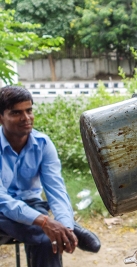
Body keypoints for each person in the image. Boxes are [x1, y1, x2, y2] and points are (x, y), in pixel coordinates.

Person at [0, 86, 101, 267]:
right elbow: (2, 201)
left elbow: (56, 190)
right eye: (16, 113)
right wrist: (45, 222)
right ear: (1, 117)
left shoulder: (43, 144)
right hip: (1, 211)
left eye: (29, 110)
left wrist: (64, 225)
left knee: (49, 236)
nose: (26, 118)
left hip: (31, 205)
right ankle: (64, 229)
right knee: (45, 234)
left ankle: (69, 228)